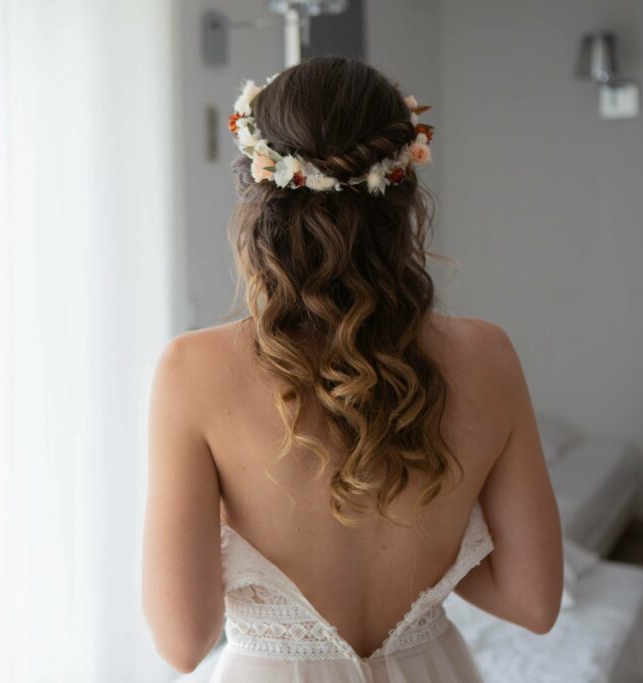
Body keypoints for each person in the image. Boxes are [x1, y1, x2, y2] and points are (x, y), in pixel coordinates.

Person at [142, 56, 563, 683]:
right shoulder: (488, 357)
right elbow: (533, 603)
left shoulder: (192, 371)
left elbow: (182, 643)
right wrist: (436, 548)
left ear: (257, 192)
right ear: (402, 190)